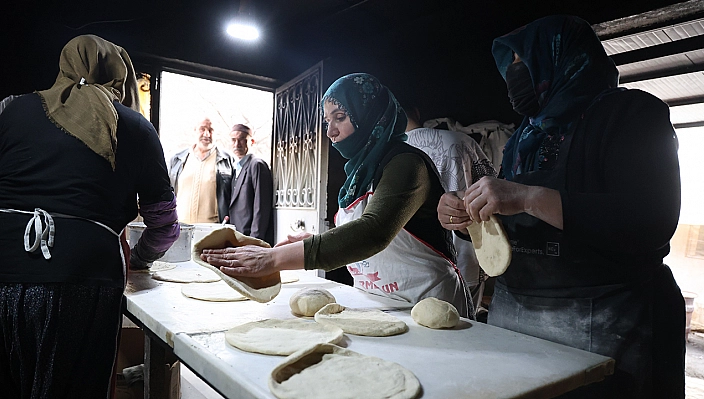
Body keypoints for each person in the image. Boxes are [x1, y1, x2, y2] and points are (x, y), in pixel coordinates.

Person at [437, 15, 684, 397]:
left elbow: (652, 218)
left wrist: (528, 197)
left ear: (559, 56)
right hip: (517, 314)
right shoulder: (523, 137)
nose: (513, 76)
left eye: (522, 62)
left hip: (605, 320)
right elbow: (508, 227)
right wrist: (466, 220)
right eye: (509, 68)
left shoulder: (632, 114)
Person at [201, 73, 471, 317]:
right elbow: (359, 234)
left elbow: (373, 232)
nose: (330, 131)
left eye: (340, 117)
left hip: (426, 302)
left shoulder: (406, 164)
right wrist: (315, 241)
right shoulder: (361, 170)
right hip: (379, 301)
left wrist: (272, 260)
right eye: (327, 120)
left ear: (369, 114)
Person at [0, 35, 179, 397]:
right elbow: (164, 224)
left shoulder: (8, 109)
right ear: (121, 75)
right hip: (82, 282)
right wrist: (142, 259)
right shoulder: (134, 127)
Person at [404, 105, 497, 316]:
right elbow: (492, 193)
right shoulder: (460, 141)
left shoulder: (385, 152)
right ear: (417, 112)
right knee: (463, 328)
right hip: (464, 256)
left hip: (407, 271)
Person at [168, 117, 234, 224]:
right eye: (202, 129)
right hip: (180, 228)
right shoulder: (177, 159)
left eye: (211, 130)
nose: (206, 134)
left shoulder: (228, 161)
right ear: (195, 130)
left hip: (213, 230)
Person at [228, 124, 275, 246]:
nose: (237, 144)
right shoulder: (236, 169)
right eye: (233, 140)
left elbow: (261, 207)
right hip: (238, 238)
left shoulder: (257, 165)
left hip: (249, 239)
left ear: (252, 141)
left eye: (242, 139)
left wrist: (254, 242)